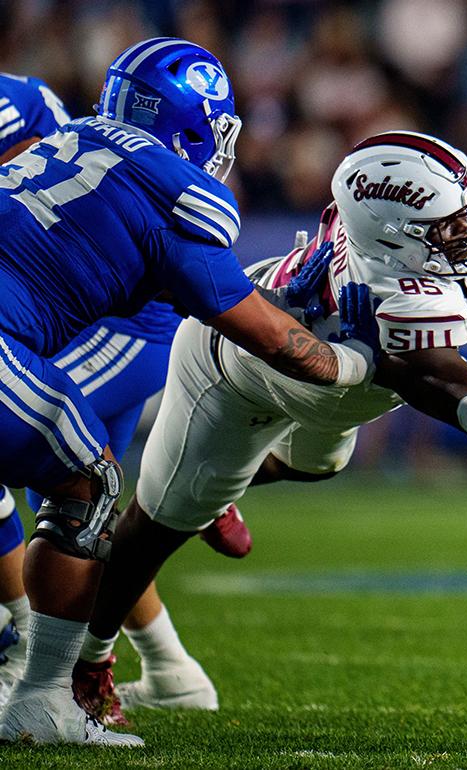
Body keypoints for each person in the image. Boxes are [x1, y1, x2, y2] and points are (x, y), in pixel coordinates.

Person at [73, 131, 467, 726]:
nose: (466, 234)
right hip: (231, 371)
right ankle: (89, 664)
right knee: (154, 526)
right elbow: (442, 385)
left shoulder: (380, 248)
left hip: (323, 385)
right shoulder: (386, 292)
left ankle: (219, 489)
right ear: (392, 234)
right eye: (447, 224)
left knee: (320, 464)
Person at [0, 38, 379, 747]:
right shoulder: (177, 188)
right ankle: (40, 695)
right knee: (85, 482)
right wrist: (353, 363)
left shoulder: (73, 136)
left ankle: (95, 665)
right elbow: (259, 330)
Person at [0, 71, 253, 709]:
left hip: (118, 317)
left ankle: (26, 659)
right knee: (78, 495)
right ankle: (170, 669)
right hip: (63, 309)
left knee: (57, 472)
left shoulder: (23, 102)